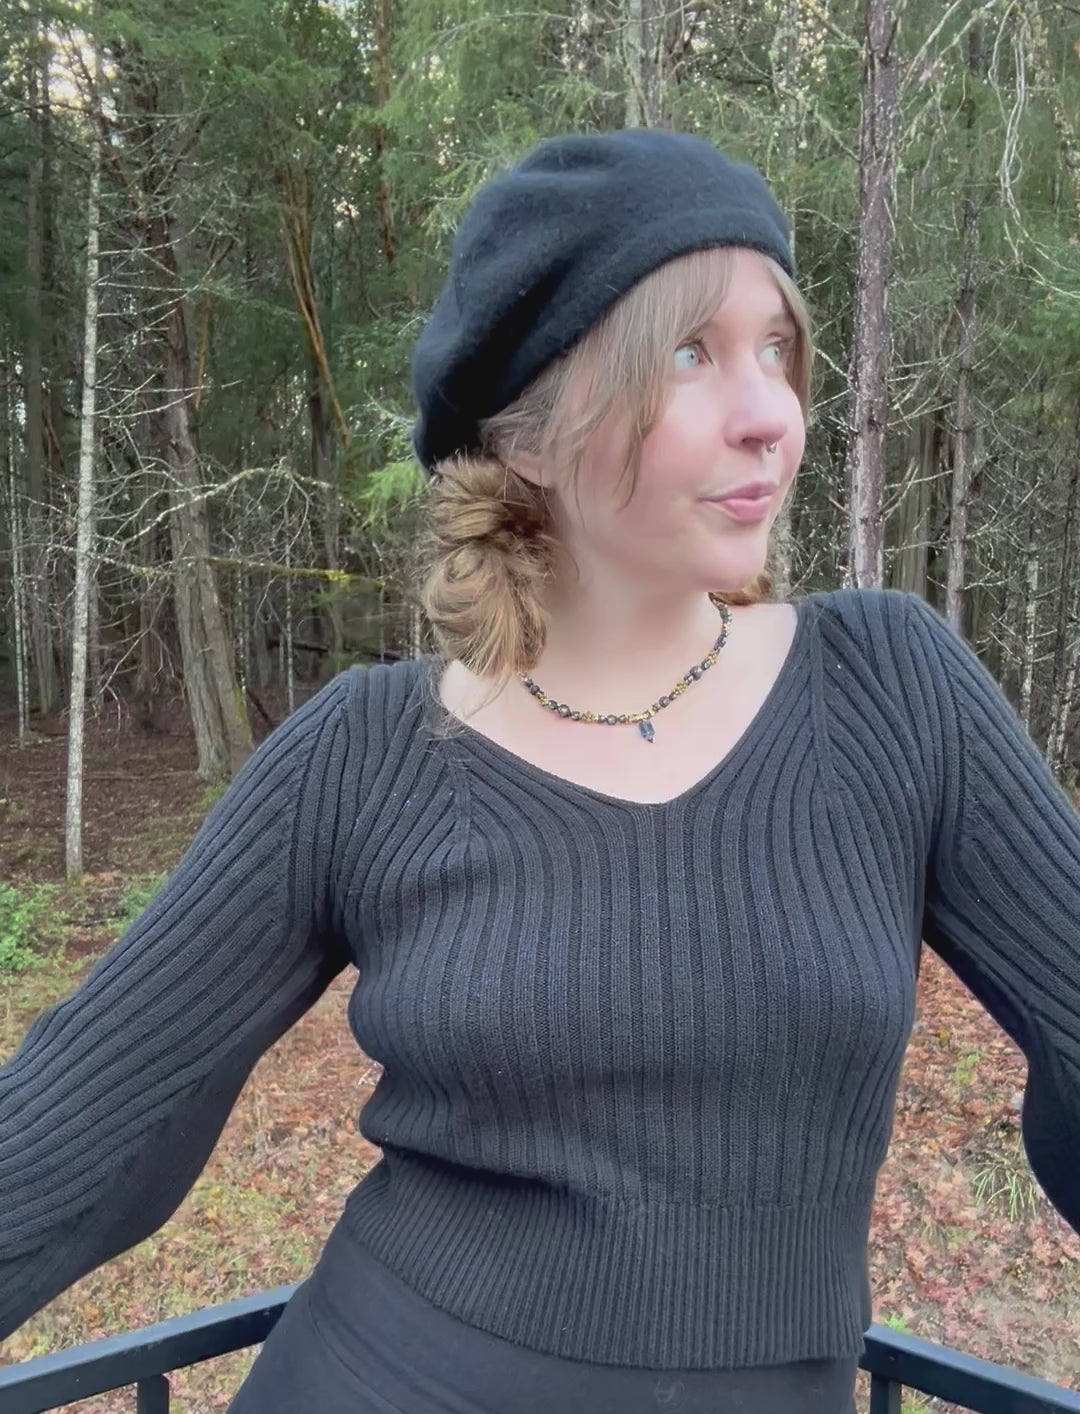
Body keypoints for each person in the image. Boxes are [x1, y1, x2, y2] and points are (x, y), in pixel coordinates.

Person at [1, 129, 1078, 1414]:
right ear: (529, 435)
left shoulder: (891, 690)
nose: (771, 414)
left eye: (776, 347)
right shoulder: (367, 755)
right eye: (689, 354)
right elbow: (86, 1122)